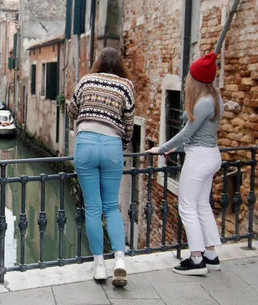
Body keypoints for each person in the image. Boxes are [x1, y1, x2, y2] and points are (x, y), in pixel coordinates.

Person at [145, 52, 224, 276]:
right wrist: (175, 148)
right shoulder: (217, 99)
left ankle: (196, 259)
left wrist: (161, 148)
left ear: (196, 79)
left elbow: (186, 133)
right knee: (202, 205)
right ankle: (211, 255)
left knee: (187, 207)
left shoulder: (202, 103)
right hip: (211, 155)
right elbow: (199, 134)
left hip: (199, 159)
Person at [67, 47, 135, 287]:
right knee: (112, 207)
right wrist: (121, 144)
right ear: (119, 65)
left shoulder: (86, 80)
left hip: (85, 143)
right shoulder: (126, 86)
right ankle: (119, 259)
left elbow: (71, 109)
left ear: (97, 63)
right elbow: (129, 124)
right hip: (112, 146)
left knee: (93, 208)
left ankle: (98, 266)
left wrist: (81, 122)